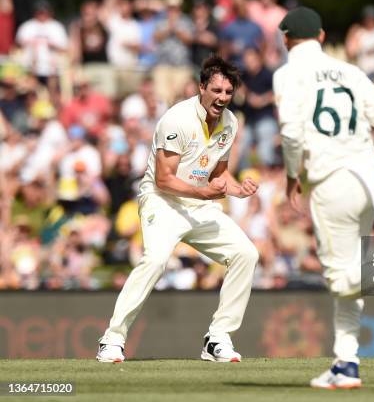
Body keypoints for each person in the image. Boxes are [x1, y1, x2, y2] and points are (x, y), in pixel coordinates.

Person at [97, 56, 260, 363]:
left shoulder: (230, 123)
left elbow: (219, 175)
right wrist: (205, 192)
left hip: (199, 204)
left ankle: (218, 338)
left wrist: (238, 189)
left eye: (228, 92)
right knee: (156, 259)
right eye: (216, 90)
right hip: (163, 200)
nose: (222, 97)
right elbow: (164, 179)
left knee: (246, 254)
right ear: (202, 88)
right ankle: (112, 339)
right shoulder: (177, 119)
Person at [273, 7, 374, 388]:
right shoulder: (349, 70)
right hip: (367, 183)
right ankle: (346, 363)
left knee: (340, 279)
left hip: (331, 181)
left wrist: (292, 176)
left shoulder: (287, 73)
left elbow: (293, 135)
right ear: (322, 35)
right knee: (350, 274)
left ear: (285, 39)